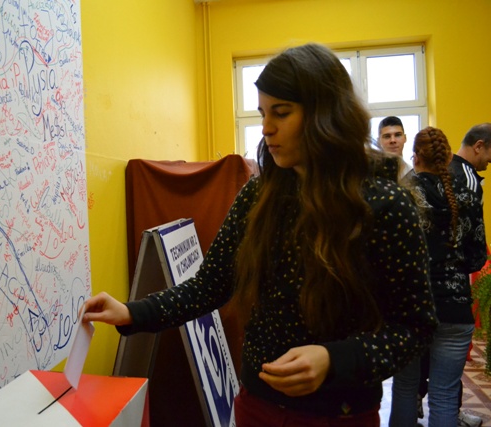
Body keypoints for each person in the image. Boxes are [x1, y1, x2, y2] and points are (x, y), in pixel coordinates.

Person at [82, 43, 437, 427]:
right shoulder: (261, 194)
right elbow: (210, 284)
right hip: (256, 405)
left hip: (340, 414)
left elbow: (414, 328)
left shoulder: (384, 204)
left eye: (281, 113)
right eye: (263, 114)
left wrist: (334, 359)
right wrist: (132, 312)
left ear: (326, 115)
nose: (267, 128)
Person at [388, 127, 487, 427]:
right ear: (446, 159)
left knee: (405, 388)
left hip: (410, 307)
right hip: (455, 308)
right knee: (445, 395)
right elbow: (477, 256)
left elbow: (390, 255)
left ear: (415, 157)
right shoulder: (467, 193)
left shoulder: (403, 193)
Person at [450, 122, 491, 427]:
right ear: (479, 146)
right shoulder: (467, 179)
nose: (489, 162)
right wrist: (477, 262)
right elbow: (472, 235)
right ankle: (452, 415)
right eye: (489, 155)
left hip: (430, 282)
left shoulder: (442, 171)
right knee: (450, 369)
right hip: (452, 283)